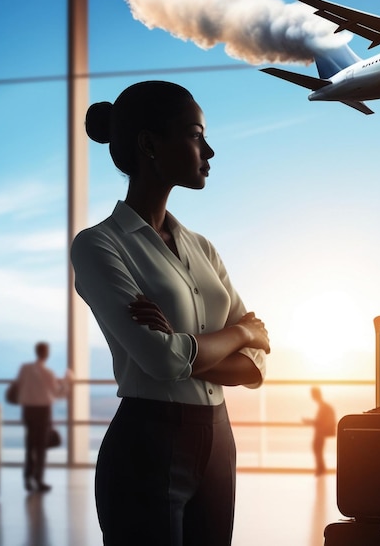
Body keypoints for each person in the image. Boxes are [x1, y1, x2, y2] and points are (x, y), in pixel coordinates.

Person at [70, 80, 270, 546]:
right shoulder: (99, 246)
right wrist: (239, 334)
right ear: (149, 145)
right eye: (196, 135)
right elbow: (160, 362)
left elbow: (257, 364)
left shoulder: (203, 248)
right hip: (146, 445)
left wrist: (187, 346)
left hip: (219, 442)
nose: (210, 150)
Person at [15, 341, 71, 492]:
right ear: (46, 354)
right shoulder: (48, 373)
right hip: (43, 411)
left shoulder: (25, 369)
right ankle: (38, 480)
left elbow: (19, 386)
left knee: (30, 444)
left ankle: (27, 478)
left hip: (28, 410)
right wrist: (67, 381)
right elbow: (58, 394)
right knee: (40, 447)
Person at [303, 386, 336, 476]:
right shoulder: (324, 406)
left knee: (317, 449)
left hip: (320, 433)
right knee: (318, 450)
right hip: (320, 433)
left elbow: (319, 421)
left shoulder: (324, 407)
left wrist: (308, 422)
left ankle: (320, 470)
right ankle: (321, 469)